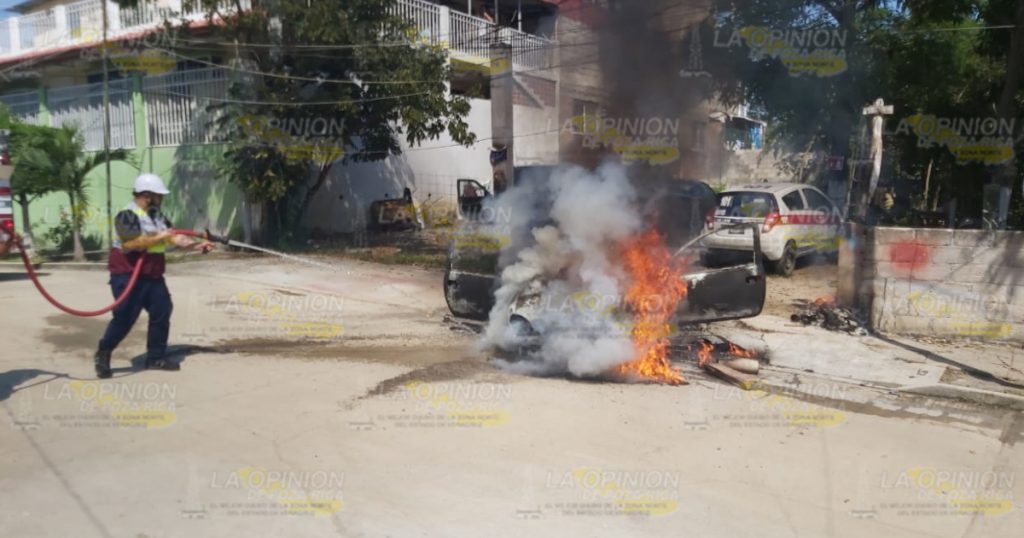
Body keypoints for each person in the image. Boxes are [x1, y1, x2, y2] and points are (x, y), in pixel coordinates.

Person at [94, 173, 214, 379]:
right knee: (125, 318)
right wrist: (160, 237)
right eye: (160, 195)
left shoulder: (158, 216)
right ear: (148, 195)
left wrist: (198, 245)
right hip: (127, 275)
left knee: (162, 310)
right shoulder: (126, 215)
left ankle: (155, 357)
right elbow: (130, 243)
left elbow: (175, 239)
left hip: (153, 275)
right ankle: (104, 352)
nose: (162, 199)